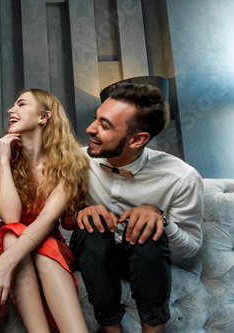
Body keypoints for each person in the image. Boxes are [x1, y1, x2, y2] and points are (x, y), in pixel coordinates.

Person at [69, 82, 204, 333]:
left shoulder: (182, 177)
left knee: (147, 234)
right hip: (93, 252)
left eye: (104, 125)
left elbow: (191, 249)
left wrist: (160, 219)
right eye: (95, 119)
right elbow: (58, 214)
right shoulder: (77, 160)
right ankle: (111, 330)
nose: (90, 129)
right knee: (92, 231)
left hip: (145, 261)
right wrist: (80, 213)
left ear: (138, 139)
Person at [0, 89, 89, 332]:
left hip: (49, 242)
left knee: (41, 245)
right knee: (10, 231)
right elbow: (10, 216)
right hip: (12, 239)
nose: (11, 110)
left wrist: (4, 264)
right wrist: (5, 162)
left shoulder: (68, 162)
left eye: (21, 104)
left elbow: (49, 219)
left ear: (43, 117)